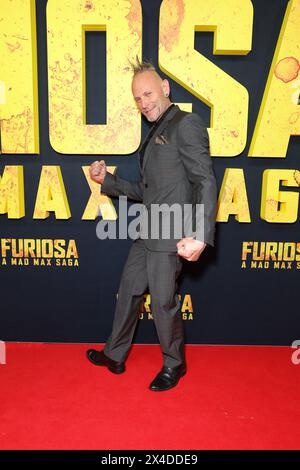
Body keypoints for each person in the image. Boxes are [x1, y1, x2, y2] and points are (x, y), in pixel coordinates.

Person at [87, 59, 217, 391]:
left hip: (171, 235)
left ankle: (175, 363)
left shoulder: (185, 124)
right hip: (148, 232)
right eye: (138, 98)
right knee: (128, 292)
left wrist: (200, 234)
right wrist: (108, 181)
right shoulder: (156, 130)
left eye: (148, 93)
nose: (144, 103)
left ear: (165, 88)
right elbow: (146, 192)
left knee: (162, 302)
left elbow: (204, 181)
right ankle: (115, 354)